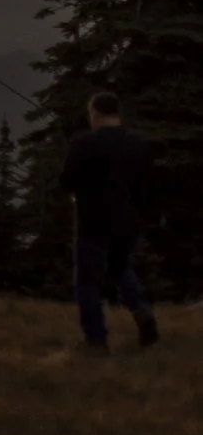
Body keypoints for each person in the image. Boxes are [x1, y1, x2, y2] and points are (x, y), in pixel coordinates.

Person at [59, 89, 160, 355]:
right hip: (128, 223)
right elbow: (148, 188)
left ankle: (96, 340)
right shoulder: (138, 146)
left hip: (93, 221)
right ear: (118, 113)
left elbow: (66, 181)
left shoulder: (84, 145)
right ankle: (141, 310)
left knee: (89, 282)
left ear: (94, 114)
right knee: (119, 267)